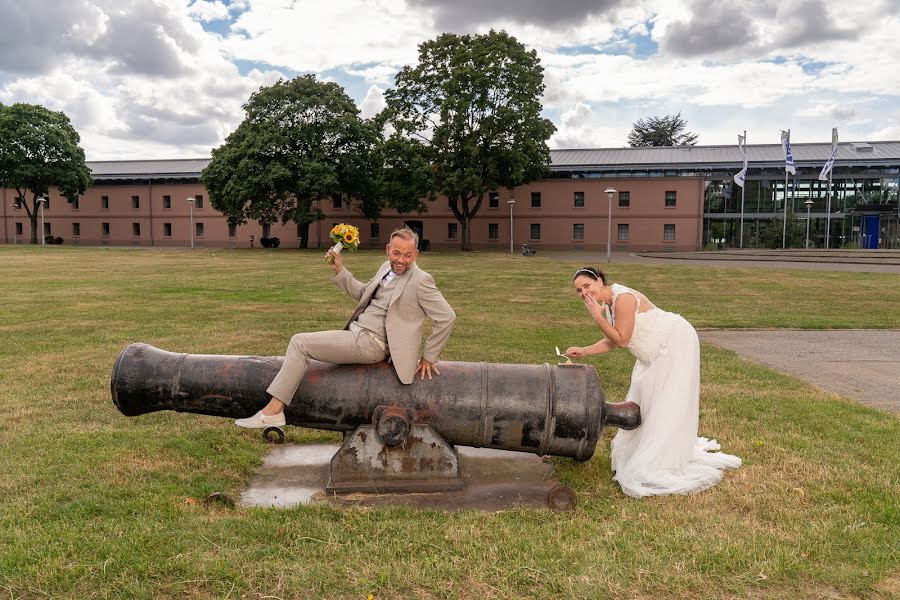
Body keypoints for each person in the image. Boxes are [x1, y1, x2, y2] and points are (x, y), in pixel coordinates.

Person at [235, 227, 456, 428]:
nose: (401, 260)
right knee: (301, 343)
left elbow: (447, 317)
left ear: (416, 254)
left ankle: (274, 411)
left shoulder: (421, 280)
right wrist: (341, 270)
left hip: (371, 343)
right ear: (388, 250)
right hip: (356, 333)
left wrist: (429, 356)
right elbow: (364, 294)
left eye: (408, 255)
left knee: (300, 342)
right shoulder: (386, 269)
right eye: (396, 253)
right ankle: (274, 410)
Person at [566, 267, 741, 498]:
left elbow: (622, 340)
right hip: (650, 355)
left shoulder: (623, 298)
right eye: (579, 291)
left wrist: (597, 317)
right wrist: (585, 351)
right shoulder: (609, 304)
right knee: (645, 399)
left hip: (673, 343)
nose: (584, 293)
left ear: (599, 281)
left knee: (665, 403)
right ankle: (647, 449)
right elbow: (612, 339)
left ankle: (663, 458)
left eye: (587, 286)